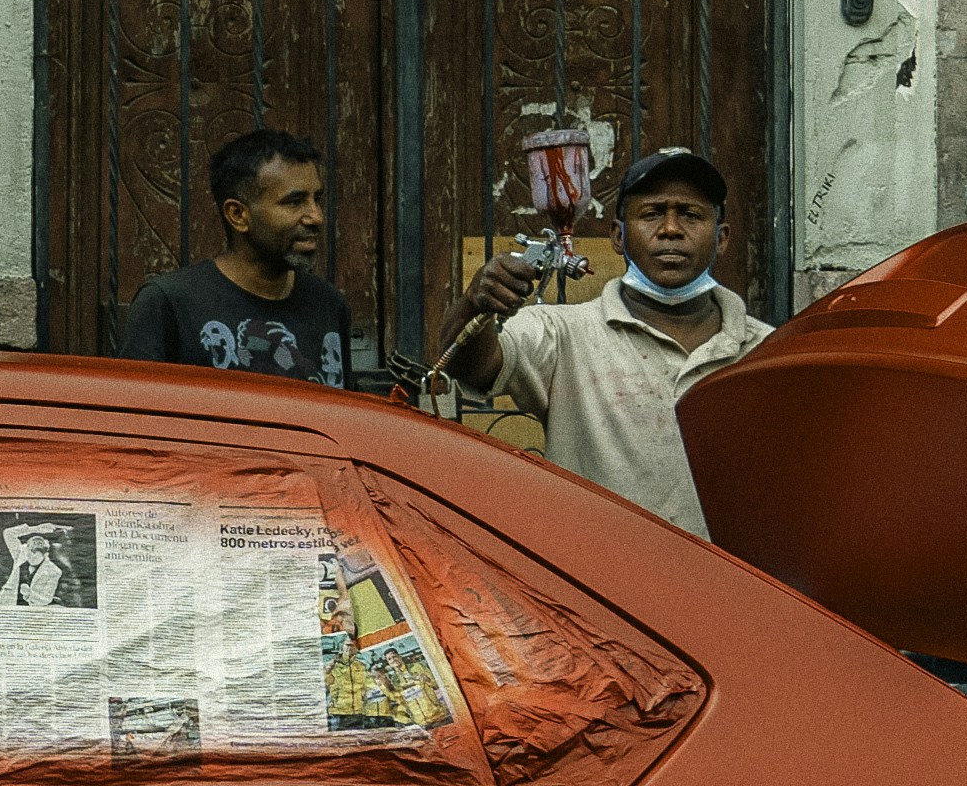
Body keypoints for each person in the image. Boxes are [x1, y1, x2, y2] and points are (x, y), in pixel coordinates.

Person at [425, 147, 766, 535]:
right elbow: (472, 364)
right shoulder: (563, 333)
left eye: (690, 215)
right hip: (593, 585)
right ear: (618, 237)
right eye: (652, 213)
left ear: (721, 239)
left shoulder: (766, 350)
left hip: (726, 587)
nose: (671, 229)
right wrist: (475, 304)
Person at [112, 128, 362, 385]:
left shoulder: (329, 304)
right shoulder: (168, 303)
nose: (316, 217)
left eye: (316, 199)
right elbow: (134, 415)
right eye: (294, 202)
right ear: (238, 215)